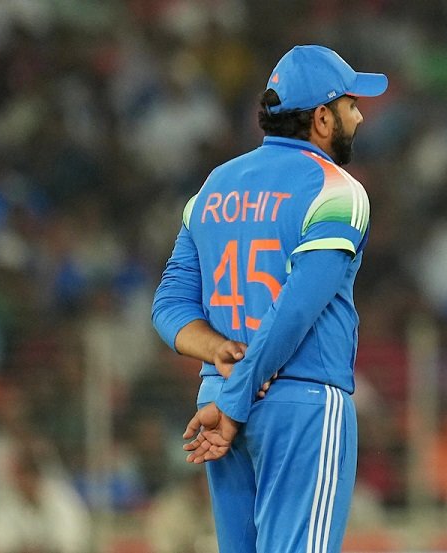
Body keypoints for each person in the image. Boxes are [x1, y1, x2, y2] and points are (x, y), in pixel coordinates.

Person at [151, 44, 387, 553]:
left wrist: (218, 354)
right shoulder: (337, 190)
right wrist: (238, 402)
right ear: (322, 118)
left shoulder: (213, 188)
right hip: (299, 402)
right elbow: (295, 310)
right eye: (351, 105)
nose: (359, 116)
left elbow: (168, 305)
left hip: (217, 398)